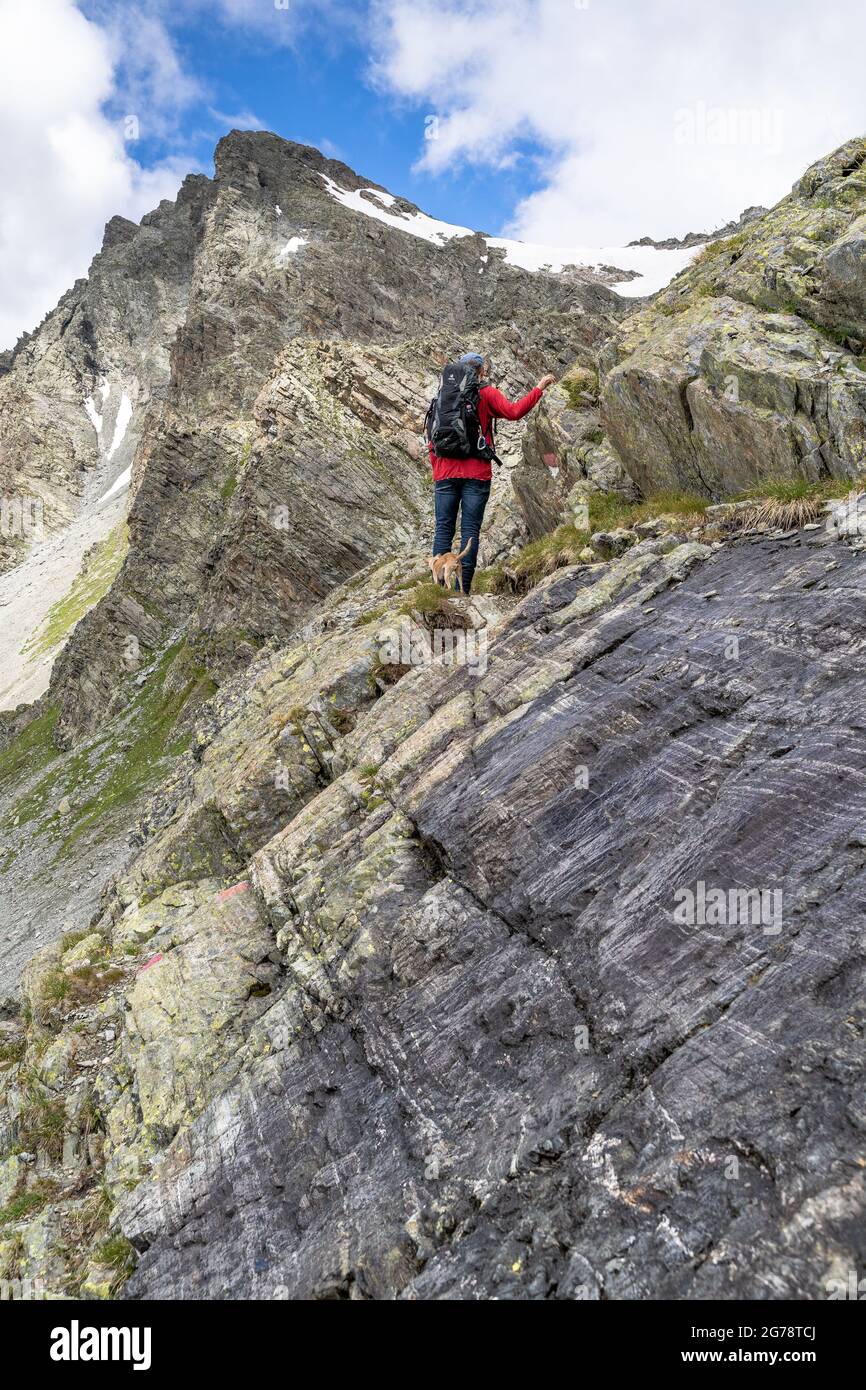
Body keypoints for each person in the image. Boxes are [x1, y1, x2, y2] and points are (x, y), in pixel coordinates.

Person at [428, 352, 555, 593]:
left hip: (445, 474)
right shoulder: (486, 393)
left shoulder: (444, 396)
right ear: (482, 372)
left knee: (443, 529)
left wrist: (439, 470)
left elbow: (431, 437)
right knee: (469, 531)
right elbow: (514, 412)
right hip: (476, 475)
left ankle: (437, 591)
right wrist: (538, 388)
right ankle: (461, 590)